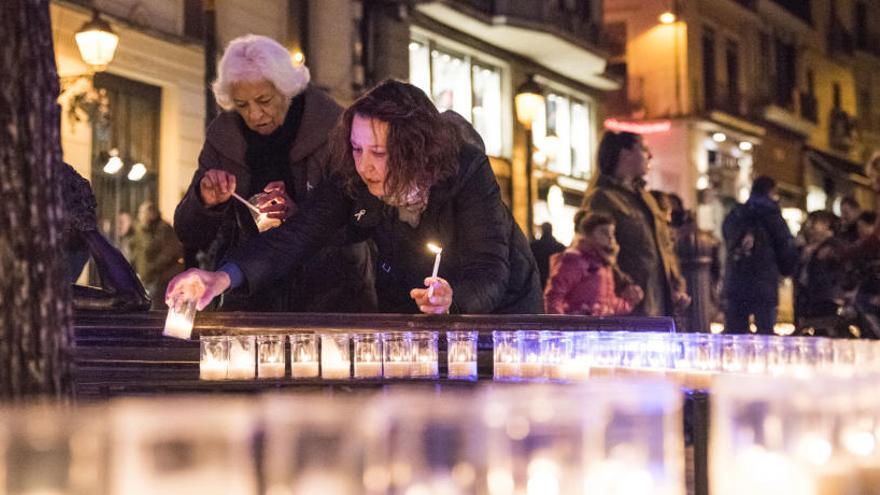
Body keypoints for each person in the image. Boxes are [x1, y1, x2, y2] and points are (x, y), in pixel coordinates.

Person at [166, 80, 543, 315]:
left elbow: (491, 267)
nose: (365, 165)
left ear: (416, 150)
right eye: (357, 148)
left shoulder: (467, 170)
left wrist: (452, 297)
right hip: (413, 305)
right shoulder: (355, 175)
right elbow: (294, 238)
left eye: (379, 153)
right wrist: (221, 277)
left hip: (503, 313)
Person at [173, 34, 375, 312]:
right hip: (249, 296)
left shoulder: (334, 130)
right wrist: (205, 200)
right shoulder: (223, 139)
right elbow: (188, 232)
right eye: (242, 105)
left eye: (264, 100)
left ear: (286, 89)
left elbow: (357, 218)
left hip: (331, 292)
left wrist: (300, 214)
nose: (255, 114)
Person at [580, 131, 689, 317]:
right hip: (628, 306)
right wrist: (624, 285)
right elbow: (594, 252)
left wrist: (676, 285)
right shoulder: (602, 198)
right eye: (644, 149)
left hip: (660, 303)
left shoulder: (646, 199)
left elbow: (665, 248)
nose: (650, 155)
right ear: (625, 153)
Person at [721, 176, 797, 335]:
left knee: (736, 333)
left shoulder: (737, 213)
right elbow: (785, 245)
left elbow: (727, 237)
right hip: (764, 282)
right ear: (771, 191)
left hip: (737, 282)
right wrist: (787, 269)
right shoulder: (772, 214)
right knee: (765, 334)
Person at [544, 213, 643, 315]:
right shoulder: (575, 260)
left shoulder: (604, 264)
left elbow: (606, 303)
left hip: (596, 328)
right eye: (604, 232)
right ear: (588, 234)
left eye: (612, 233)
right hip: (579, 328)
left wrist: (629, 303)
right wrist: (561, 326)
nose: (610, 237)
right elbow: (554, 296)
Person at [795, 210, 846, 336]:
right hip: (807, 298)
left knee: (823, 332)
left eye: (814, 223)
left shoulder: (833, 246)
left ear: (826, 225)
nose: (811, 227)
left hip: (825, 298)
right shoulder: (807, 246)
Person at [131, 201, 184, 309]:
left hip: (161, 278)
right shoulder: (142, 230)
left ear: (152, 213)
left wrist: (151, 268)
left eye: (143, 212)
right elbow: (138, 253)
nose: (140, 216)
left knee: (156, 309)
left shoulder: (163, 229)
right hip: (148, 278)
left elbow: (168, 253)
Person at [531, 222, 565, 288]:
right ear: (551, 230)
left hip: (539, 279)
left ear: (542, 230)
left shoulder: (534, 246)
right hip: (554, 280)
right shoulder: (560, 247)